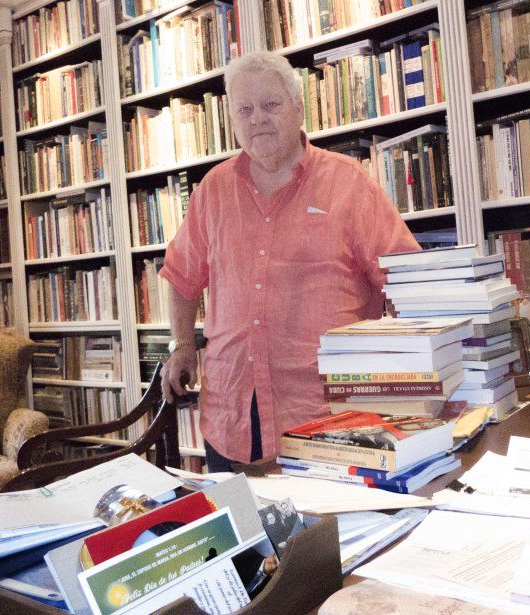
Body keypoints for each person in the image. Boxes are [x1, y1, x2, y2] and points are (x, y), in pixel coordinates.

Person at [159, 50, 421, 471]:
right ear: (232, 121)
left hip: (327, 417)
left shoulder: (348, 182)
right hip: (230, 414)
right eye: (244, 109)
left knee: (323, 535)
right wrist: (182, 345)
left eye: (270, 104)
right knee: (243, 533)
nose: (257, 118)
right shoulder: (212, 190)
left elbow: (409, 281)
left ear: (299, 108)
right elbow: (180, 275)